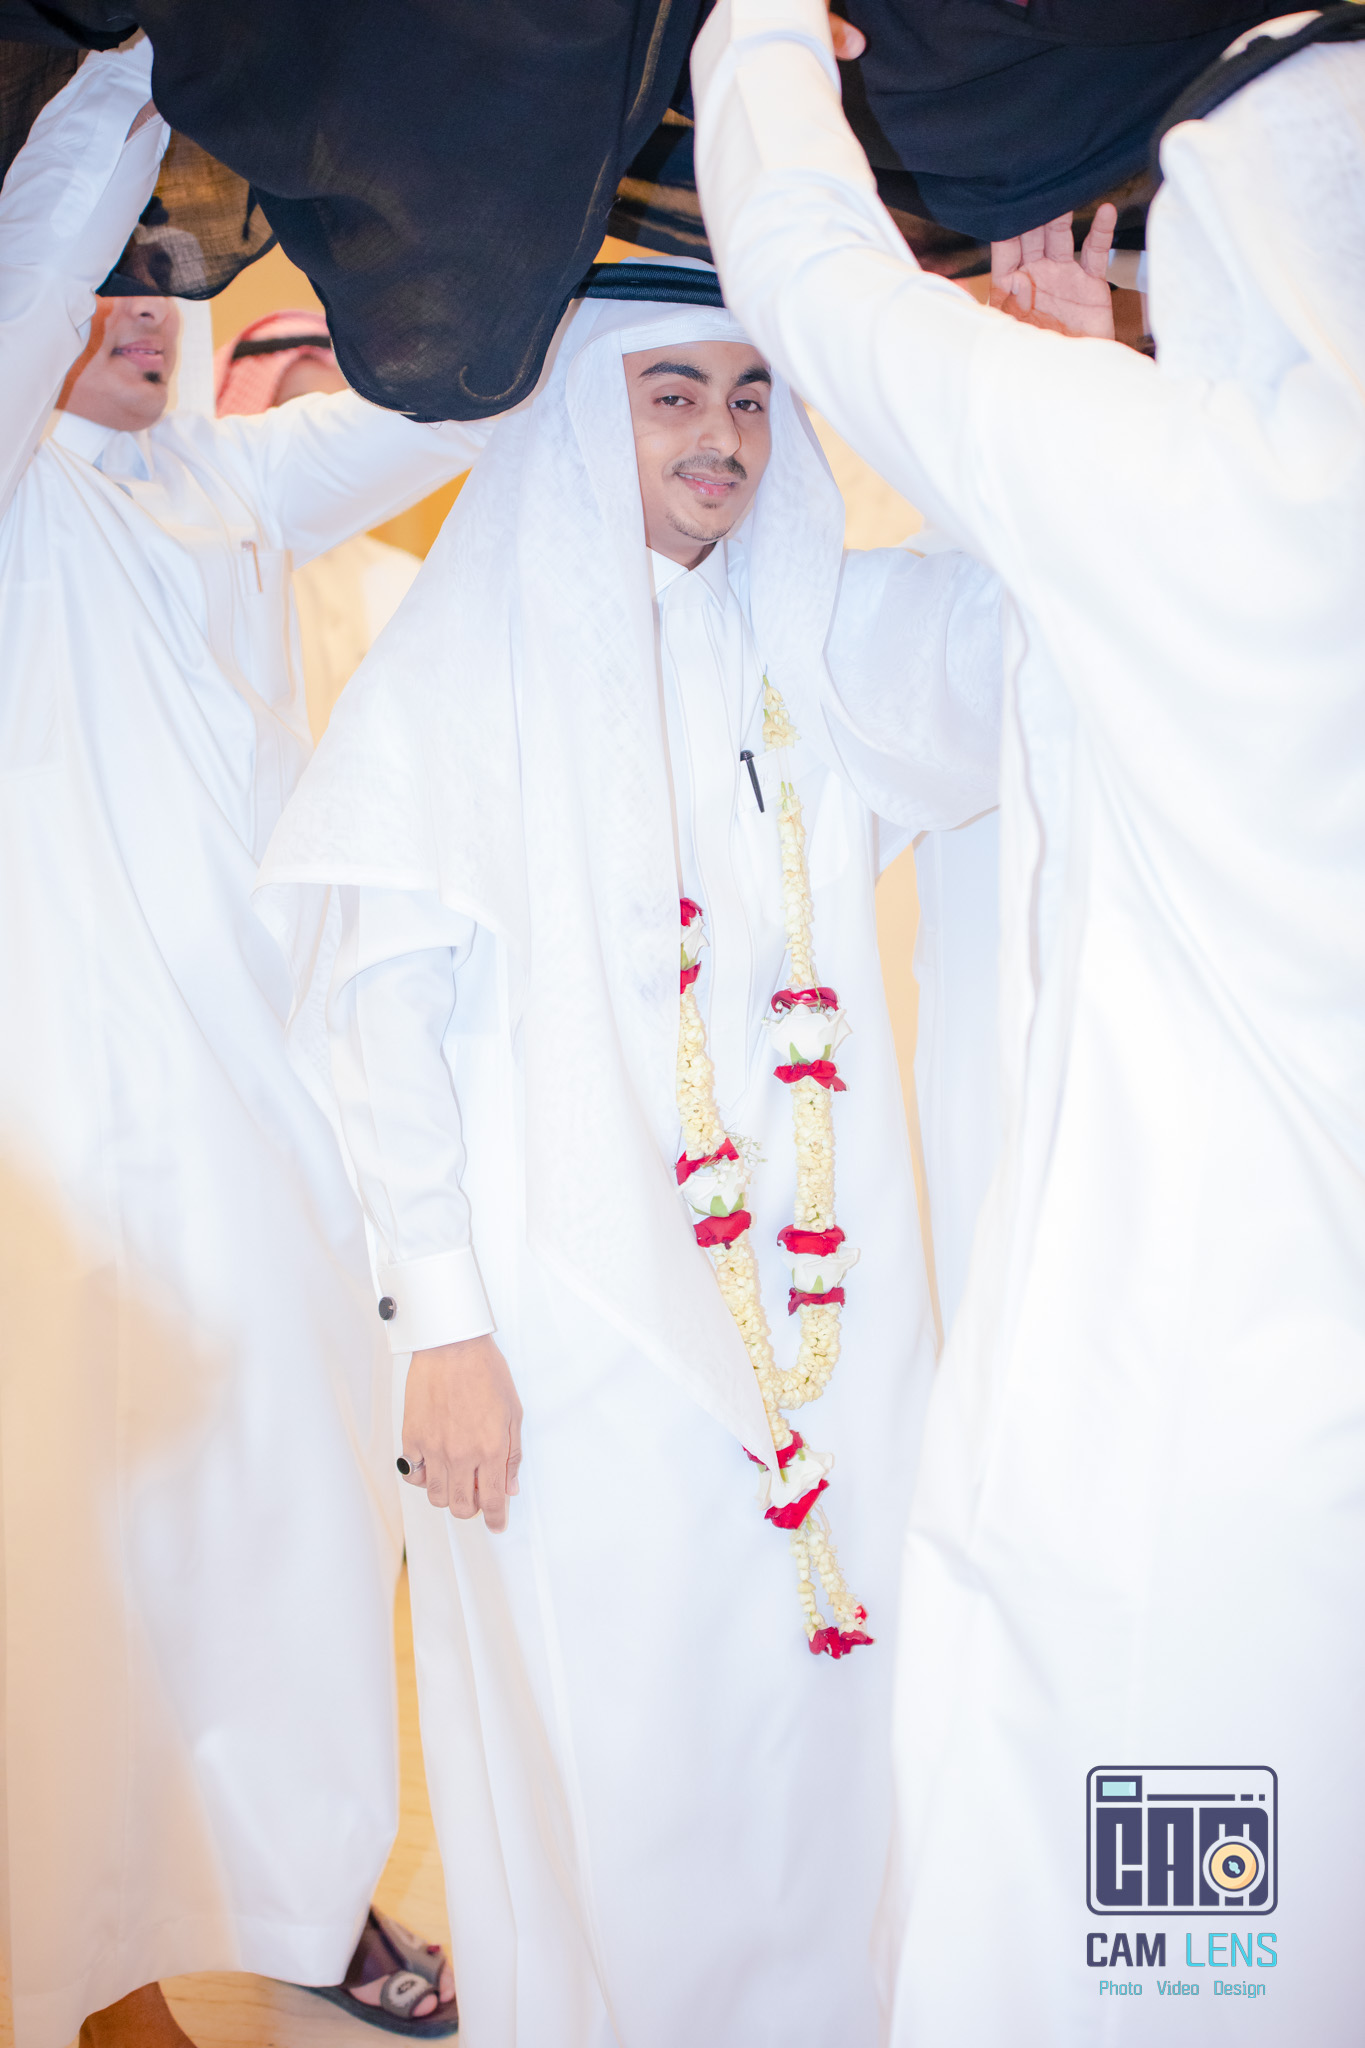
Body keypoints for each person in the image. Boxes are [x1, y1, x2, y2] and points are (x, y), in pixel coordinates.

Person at [692, 4, 1365, 2043]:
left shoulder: (1189, 490)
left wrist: (751, 30)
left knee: (1123, 1912)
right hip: (1297, 1419)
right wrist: (1096, 378)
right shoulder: (1227, 499)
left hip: (1175, 1399)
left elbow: (812, 276)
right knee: (1259, 1922)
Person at [256, 270, 1002, 2046]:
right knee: (629, 1765)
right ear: (588, 413)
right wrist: (446, 1324)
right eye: (672, 393)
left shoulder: (808, 637)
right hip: (573, 1328)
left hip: (825, 1325)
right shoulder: (468, 666)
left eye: (750, 396)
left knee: (827, 1749)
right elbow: (381, 1018)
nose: (720, 437)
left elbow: (1006, 637)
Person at [0, 40, 495, 2048]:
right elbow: (42, 250)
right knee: (79, 1596)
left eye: (172, 276)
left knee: (285, 1574)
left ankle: (277, 1908)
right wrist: (125, 58)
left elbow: (460, 389)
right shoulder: (20, 505)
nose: (140, 309)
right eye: (106, 277)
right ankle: (92, 1979)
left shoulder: (232, 490)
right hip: (75, 1185)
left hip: (274, 1183)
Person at [216, 311, 425, 738]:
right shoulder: (207, 580)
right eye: (298, 421)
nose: (324, 444)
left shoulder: (406, 581)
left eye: (337, 423)